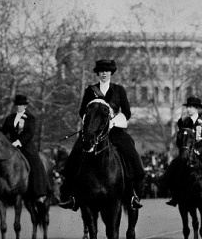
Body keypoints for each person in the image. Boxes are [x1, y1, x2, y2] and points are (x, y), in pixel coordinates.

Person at [58, 59, 146, 211]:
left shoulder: (119, 90)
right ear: (98, 73)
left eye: (106, 71)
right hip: (94, 131)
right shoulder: (90, 90)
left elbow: (126, 112)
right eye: (101, 71)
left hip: (114, 130)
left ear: (111, 73)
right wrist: (90, 121)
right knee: (75, 156)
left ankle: (133, 195)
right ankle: (71, 196)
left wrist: (113, 121)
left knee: (132, 156)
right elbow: (82, 111)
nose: (104, 73)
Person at [164, 96, 202, 206]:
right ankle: (175, 196)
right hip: (187, 151)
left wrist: (199, 150)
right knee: (174, 167)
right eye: (188, 107)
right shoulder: (185, 122)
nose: (188, 109)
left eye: (191, 107)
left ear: (197, 108)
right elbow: (181, 138)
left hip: (201, 152)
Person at [0, 94, 52, 203]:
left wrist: (18, 142)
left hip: (26, 146)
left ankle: (40, 192)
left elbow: (30, 133)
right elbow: (3, 132)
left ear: (25, 106)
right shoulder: (10, 118)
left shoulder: (30, 118)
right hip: (12, 147)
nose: (19, 107)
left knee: (35, 163)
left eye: (21, 105)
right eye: (18, 105)